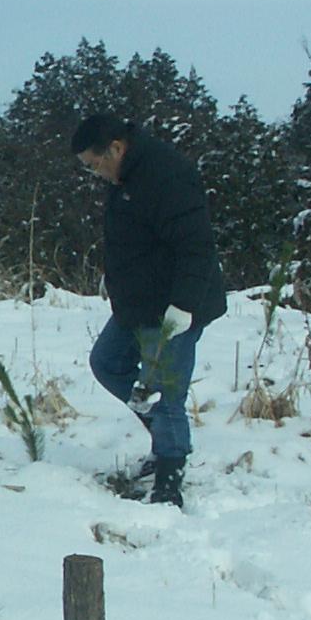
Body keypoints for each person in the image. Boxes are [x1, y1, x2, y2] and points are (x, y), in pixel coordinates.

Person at [70, 113, 227, 506]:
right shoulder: (127, 177)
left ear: (117, 148)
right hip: (137, 304)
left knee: (165, 390)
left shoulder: (167, 176)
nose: (95, 173)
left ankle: (170, 480)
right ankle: (162, 431)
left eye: (95, 163)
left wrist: (184, 307)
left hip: (174, 305)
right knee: (107, 363)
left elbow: (197, 248)